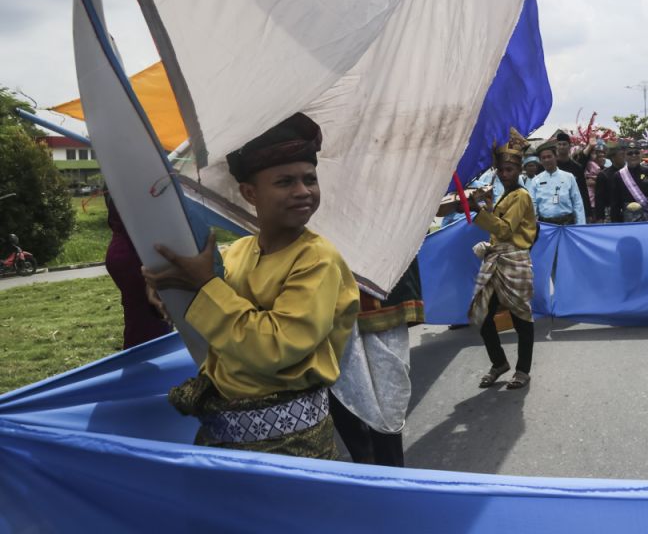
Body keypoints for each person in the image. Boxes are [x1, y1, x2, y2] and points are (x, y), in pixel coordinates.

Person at [144, 113, 360, 459]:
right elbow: (210, 312)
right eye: (285, 182)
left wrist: (203, 286)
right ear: (249, 192)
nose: (303, 191)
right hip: (225, 436)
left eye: (310, 179)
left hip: (294, 446)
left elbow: (274, 347)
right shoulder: (238, 252)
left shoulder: (317, 259)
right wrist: (168, 286)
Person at [330, 258, 423, 467]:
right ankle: (366, 461)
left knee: (388, 397)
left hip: (383, 290)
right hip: (329, 298)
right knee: (337, 384)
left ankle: (389, 473)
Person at [470, 129, 539, 390]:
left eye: (509, 169)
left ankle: (523, 370)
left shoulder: (520, 196)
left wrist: (478, 211)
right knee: (483, 314)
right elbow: (499, 226)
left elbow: (506, 230)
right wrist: (488, 207)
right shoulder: (506, 195)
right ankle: (499, 363)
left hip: (515, 260)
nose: (504, 173)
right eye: (501, 169)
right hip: (497, 259)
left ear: (519, 170)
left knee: (521, 316)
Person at [105, 197, 172, 349]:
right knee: (150, 328)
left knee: (145, 322)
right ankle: (146, 369)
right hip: (138, 254)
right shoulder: (139, 177)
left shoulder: (122, 177)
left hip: (127, 249)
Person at [608, 141, 648, 222]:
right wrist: (615, 223)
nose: (634, 155)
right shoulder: (618, 175)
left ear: (641, 154)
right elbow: (615, 203)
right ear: (624, 156)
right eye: (630, 153)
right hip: (627, 219)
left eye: (637, 153)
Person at [530, 140, 586, 225]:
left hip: (567, 224)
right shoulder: (536, 180)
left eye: (549, 156)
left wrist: (580, 225)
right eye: (543, 158)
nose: (547, 160)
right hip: (546, 225)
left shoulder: (569, 177)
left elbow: (577, 202)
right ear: (540, 161)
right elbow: (532, 204)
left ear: (556, 156)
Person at [553, 130, 593, 221]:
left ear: (569, 146)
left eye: (564, 144)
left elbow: (583, 190)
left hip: (571, 209)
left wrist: (588, 212)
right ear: (556, 146)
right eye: (559, 144)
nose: (562, 147)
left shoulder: (577, 167)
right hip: (554, 209)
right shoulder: (551, 166)